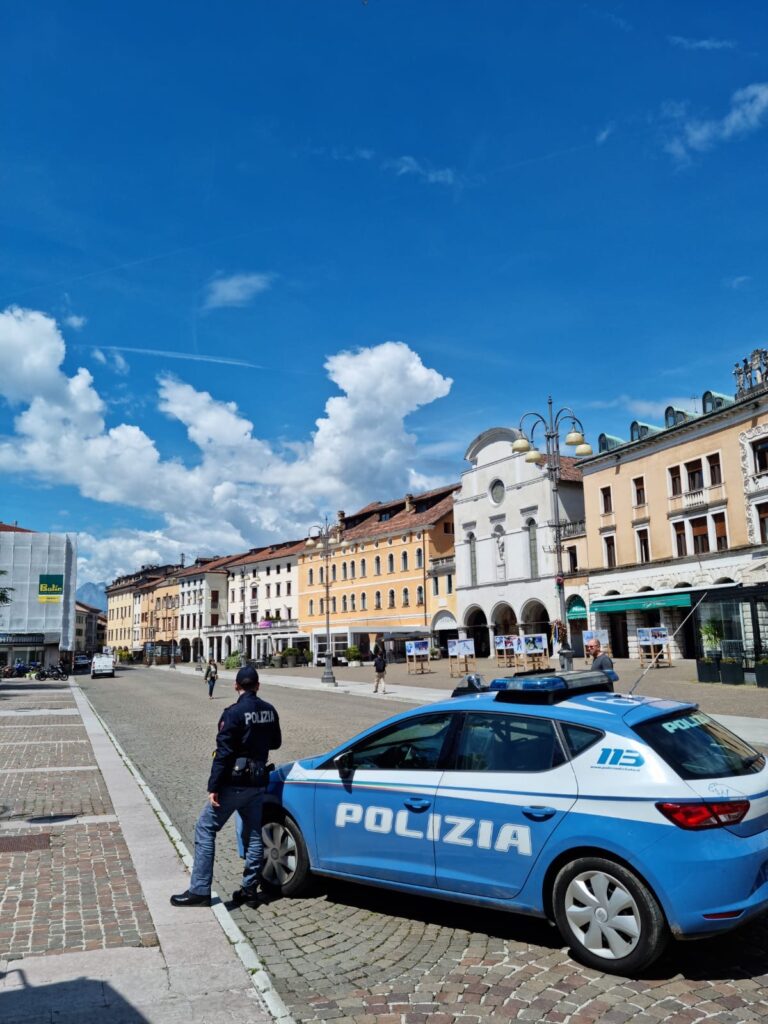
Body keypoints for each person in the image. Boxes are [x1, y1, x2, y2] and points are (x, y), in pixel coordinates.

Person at [170, 664, 281, 908]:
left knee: (205, 827)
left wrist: (214, 786)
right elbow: (276, 742)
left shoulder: (233, 713)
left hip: (235, 782)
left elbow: (224, 753)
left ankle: (199, 889)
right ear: (258, 686)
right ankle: (250, 889)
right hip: (259, 781)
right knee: (253, 834)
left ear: (236, 686)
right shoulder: (269, 710)